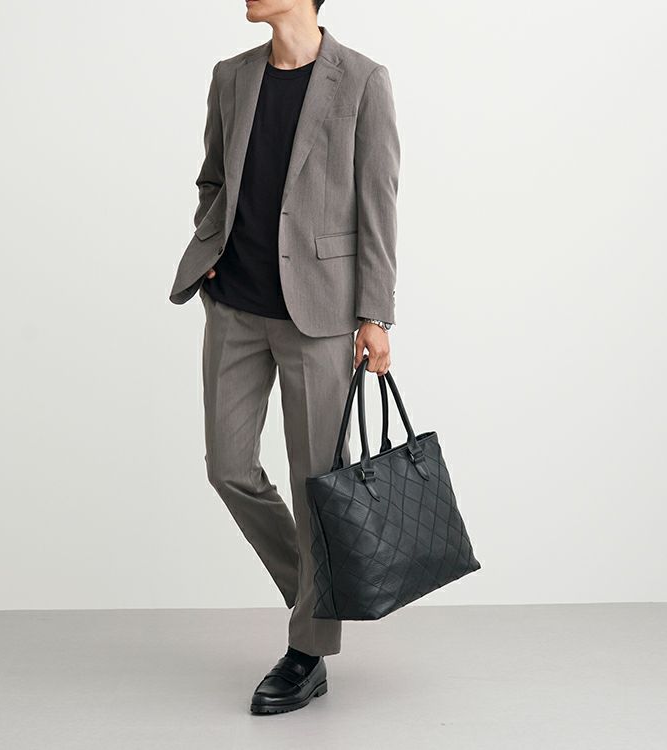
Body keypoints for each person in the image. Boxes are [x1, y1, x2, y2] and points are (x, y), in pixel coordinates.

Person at [168, 0, 400, 714]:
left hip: (319, 314)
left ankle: (308, 649)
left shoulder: (362, 79)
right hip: (235, 305)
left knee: (313, 484)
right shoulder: (231, 76)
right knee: (228, 468)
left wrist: (375, 315)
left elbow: (378, 202)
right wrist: (209, 244)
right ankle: (323, 592)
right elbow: (212, 179)